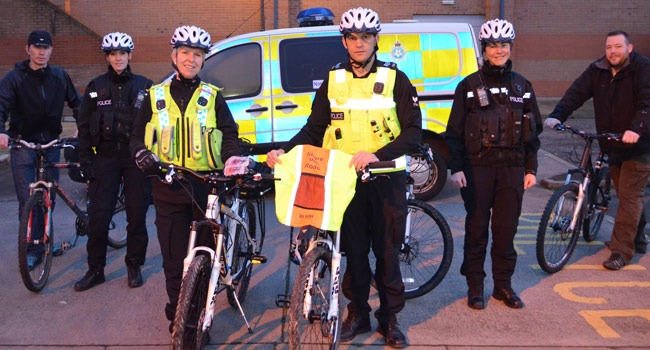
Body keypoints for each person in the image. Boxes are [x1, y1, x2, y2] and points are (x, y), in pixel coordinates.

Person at [266, 8, 421, 348]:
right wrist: (284, 152)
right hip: (343, 182)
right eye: (353, 37)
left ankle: (390, 320)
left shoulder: (397, 79)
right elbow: (314, 128)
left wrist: (377, 155)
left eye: (366, 36)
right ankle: (358, 314)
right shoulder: (333, 79)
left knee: (387, 254)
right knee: (353, 253)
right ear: (345, 42)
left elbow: (413, 132)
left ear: (376, 39)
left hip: (385, 180)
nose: (360, 43)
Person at [129, 25, 242, 331]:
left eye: (197, 55)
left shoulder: (213, 97)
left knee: (203, 259)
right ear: (174, 56)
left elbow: (230, 134)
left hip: (206, 188)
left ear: (204, 60)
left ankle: (199, 319)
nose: (191, 59)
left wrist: (231, 158)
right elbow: (136, 138)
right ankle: (179, 314)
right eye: (185, 53)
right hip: (167, 186)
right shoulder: (154, 95)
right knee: (174, 260)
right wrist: (142, 154)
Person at [445, 19, 542, 310]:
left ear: (510, 47)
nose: (498, 50)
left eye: (503, 45)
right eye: (492, 45)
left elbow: (533, 133)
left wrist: (531, 168)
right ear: (484, 49)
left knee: (505, 230)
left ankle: (503, 286)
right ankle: (475, 287)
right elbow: (454, 133)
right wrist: (456, 168)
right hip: (477, 169)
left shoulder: (523, 86)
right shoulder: (468, 86)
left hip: (512, 169)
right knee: (476, 230)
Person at [545, 30, 650, 269]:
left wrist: (637, 129)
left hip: (640, 145)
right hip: (612, 143)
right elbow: (577, 92)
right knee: (626, 196)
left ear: (629, 48)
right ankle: (639, 239)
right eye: (609, 47)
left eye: (618, 47)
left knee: (629, 196)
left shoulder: (643, 69)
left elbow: (647, 103)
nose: (613, 51)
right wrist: (557, 115)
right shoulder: (599, 69)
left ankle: (621, 252)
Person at [73, 32, 153, 292]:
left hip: (134, 158)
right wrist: (84, 156)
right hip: (105, 158)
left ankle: (134, 265)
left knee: (137, 215)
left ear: (130, 55)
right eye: (113, 54)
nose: (118, 58)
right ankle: (95, 270)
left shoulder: (145, 86)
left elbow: (159, 122)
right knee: (98, 217)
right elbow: (84, 122)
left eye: (122, 53)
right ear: (107, 57)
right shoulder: (96, 88)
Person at [0, 30, 81, 270]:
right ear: (28, 49)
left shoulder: (59, 76)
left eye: (46, 48)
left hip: (51, 144)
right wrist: (2, 131)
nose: (41, 52)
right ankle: (32, 249)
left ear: (51, 51)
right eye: (37, 47)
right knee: (28, 201)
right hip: (23, 144)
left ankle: (44, 240)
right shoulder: (14, 78)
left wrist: (82, 127)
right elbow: (1, 105)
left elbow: (77, 103)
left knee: (48, 198)